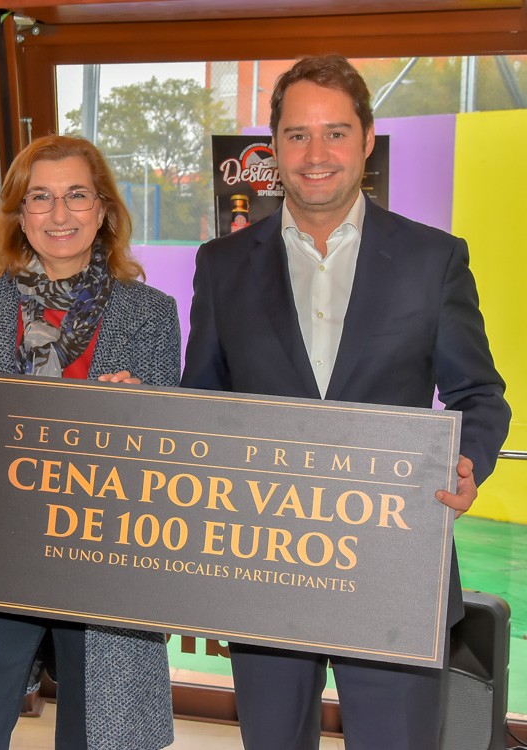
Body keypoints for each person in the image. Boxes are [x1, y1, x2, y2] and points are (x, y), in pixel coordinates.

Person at [180, 55, 511, 750]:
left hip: (395, 563)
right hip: (262, 562)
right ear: (274, 150)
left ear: (367, 141)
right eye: (297, 135)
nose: (316, 153)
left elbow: (479, 395)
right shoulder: (222, 266)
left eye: (335, 132)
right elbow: (202, 401)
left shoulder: (434, 260)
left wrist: (468, 462)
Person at [0, 134, 179, 750]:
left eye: (77, 195)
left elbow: (162, 464)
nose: (60, 214)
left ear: (103, 209)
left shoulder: (151, 313)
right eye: (41, 197)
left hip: (104, 561)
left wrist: (142, 412)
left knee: (104, 736)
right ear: (19, 214)